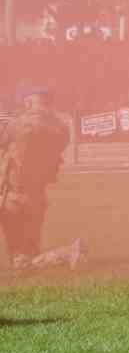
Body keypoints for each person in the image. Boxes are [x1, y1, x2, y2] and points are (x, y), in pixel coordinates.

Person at [0, 88, 83, 270]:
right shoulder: (61, 127)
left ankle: (65, 253)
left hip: (14, 196)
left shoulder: (19, 124)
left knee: (19, 258)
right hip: (38, 195)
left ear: (29, 102)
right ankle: (64, 254)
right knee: (30, 250)